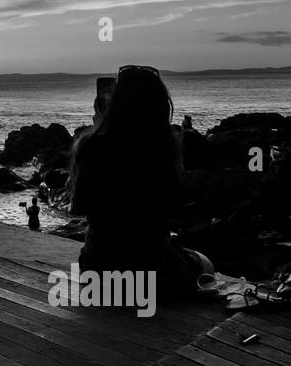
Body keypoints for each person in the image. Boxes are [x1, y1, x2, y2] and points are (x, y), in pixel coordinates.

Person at [69, 65, 211, 300]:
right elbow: (174, 207)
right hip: (152, 269)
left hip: (98, 271)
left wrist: (99, 125)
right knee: (205, 264)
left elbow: (80, 207)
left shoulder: (91, 146)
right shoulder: (163, 148)